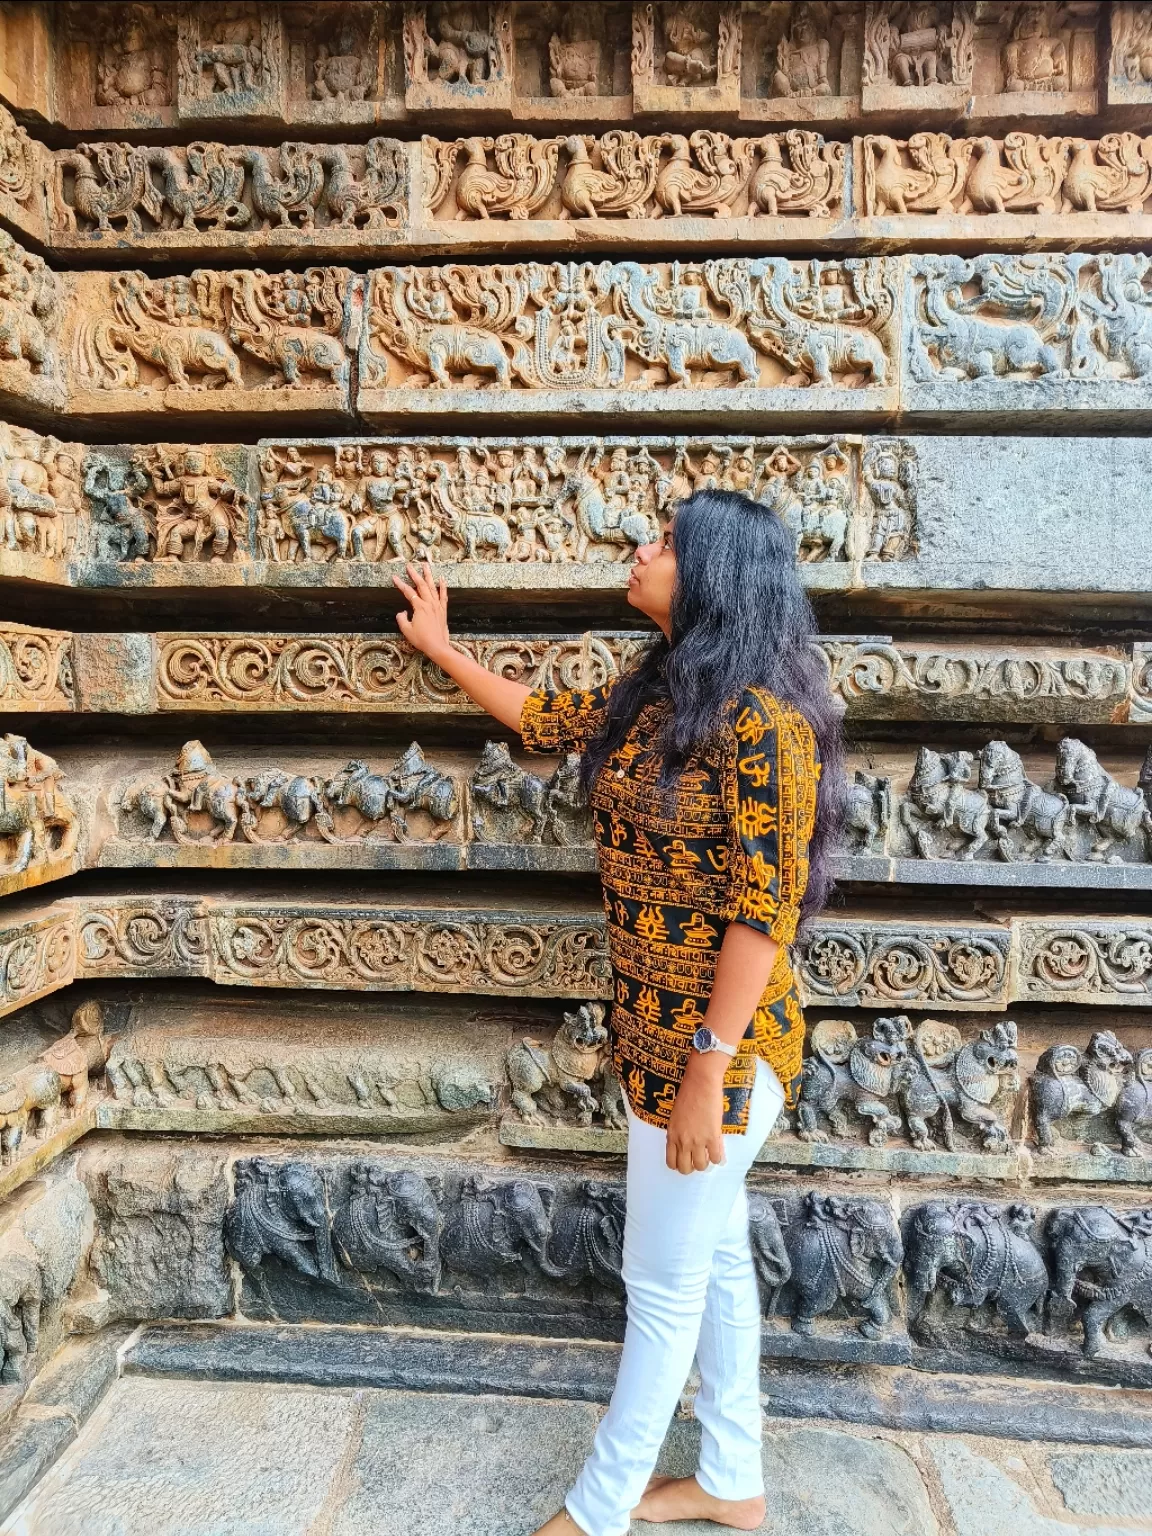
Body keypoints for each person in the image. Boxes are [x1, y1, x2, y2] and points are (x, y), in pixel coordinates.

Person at [393, 489, 842, 1536]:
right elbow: (545, 719)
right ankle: (733, 1482)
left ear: (716, 576)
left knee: (661, 1281)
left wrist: (706, 1074)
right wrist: (446, 651)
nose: (640, 549)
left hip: (720, 1053)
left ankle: (595, 1513)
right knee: (714, 1255)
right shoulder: (654, 703)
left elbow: (761, 916)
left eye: (666, 543)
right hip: (655, 1039)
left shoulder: (767, 728)